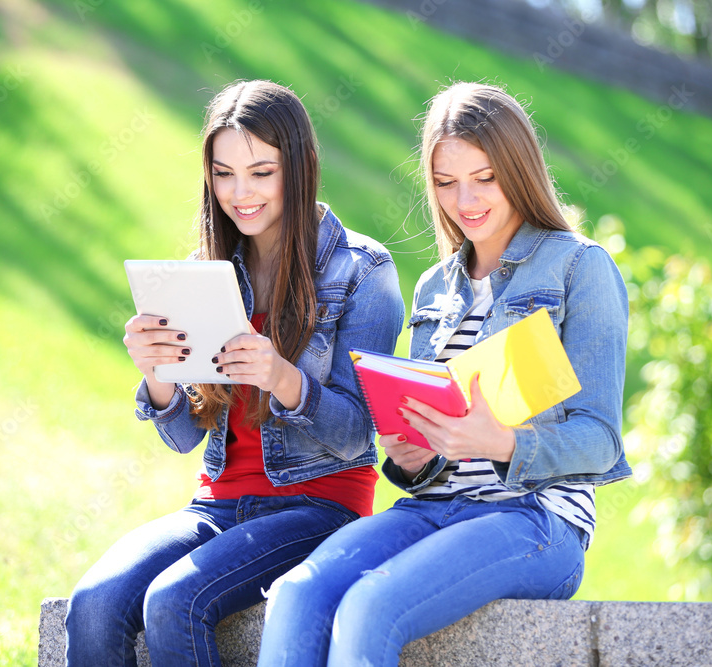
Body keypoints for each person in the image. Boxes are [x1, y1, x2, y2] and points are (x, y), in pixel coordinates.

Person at [257, 81, 633, 666]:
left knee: (370, 606)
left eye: (485, 178)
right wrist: (412, 454)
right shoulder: (436, 286)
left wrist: (501, 442)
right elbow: (429, 438)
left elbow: (601, 439)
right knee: (298, 593)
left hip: (535, 518)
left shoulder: (580, 267)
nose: (466, 200)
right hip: (432, 508)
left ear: (519, 171)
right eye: (446, 182)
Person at [65, 80, 405, 667]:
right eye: (223, 174)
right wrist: (158, 375)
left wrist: (282, 378)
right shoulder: (206, 270)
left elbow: (358, 435)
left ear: (299, 166)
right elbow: (183, 438)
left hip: (319, 507)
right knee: (93, 604)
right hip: (216, 505)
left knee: (174, 601)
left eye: (261, 173)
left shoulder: (363, 270)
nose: (240, 193)